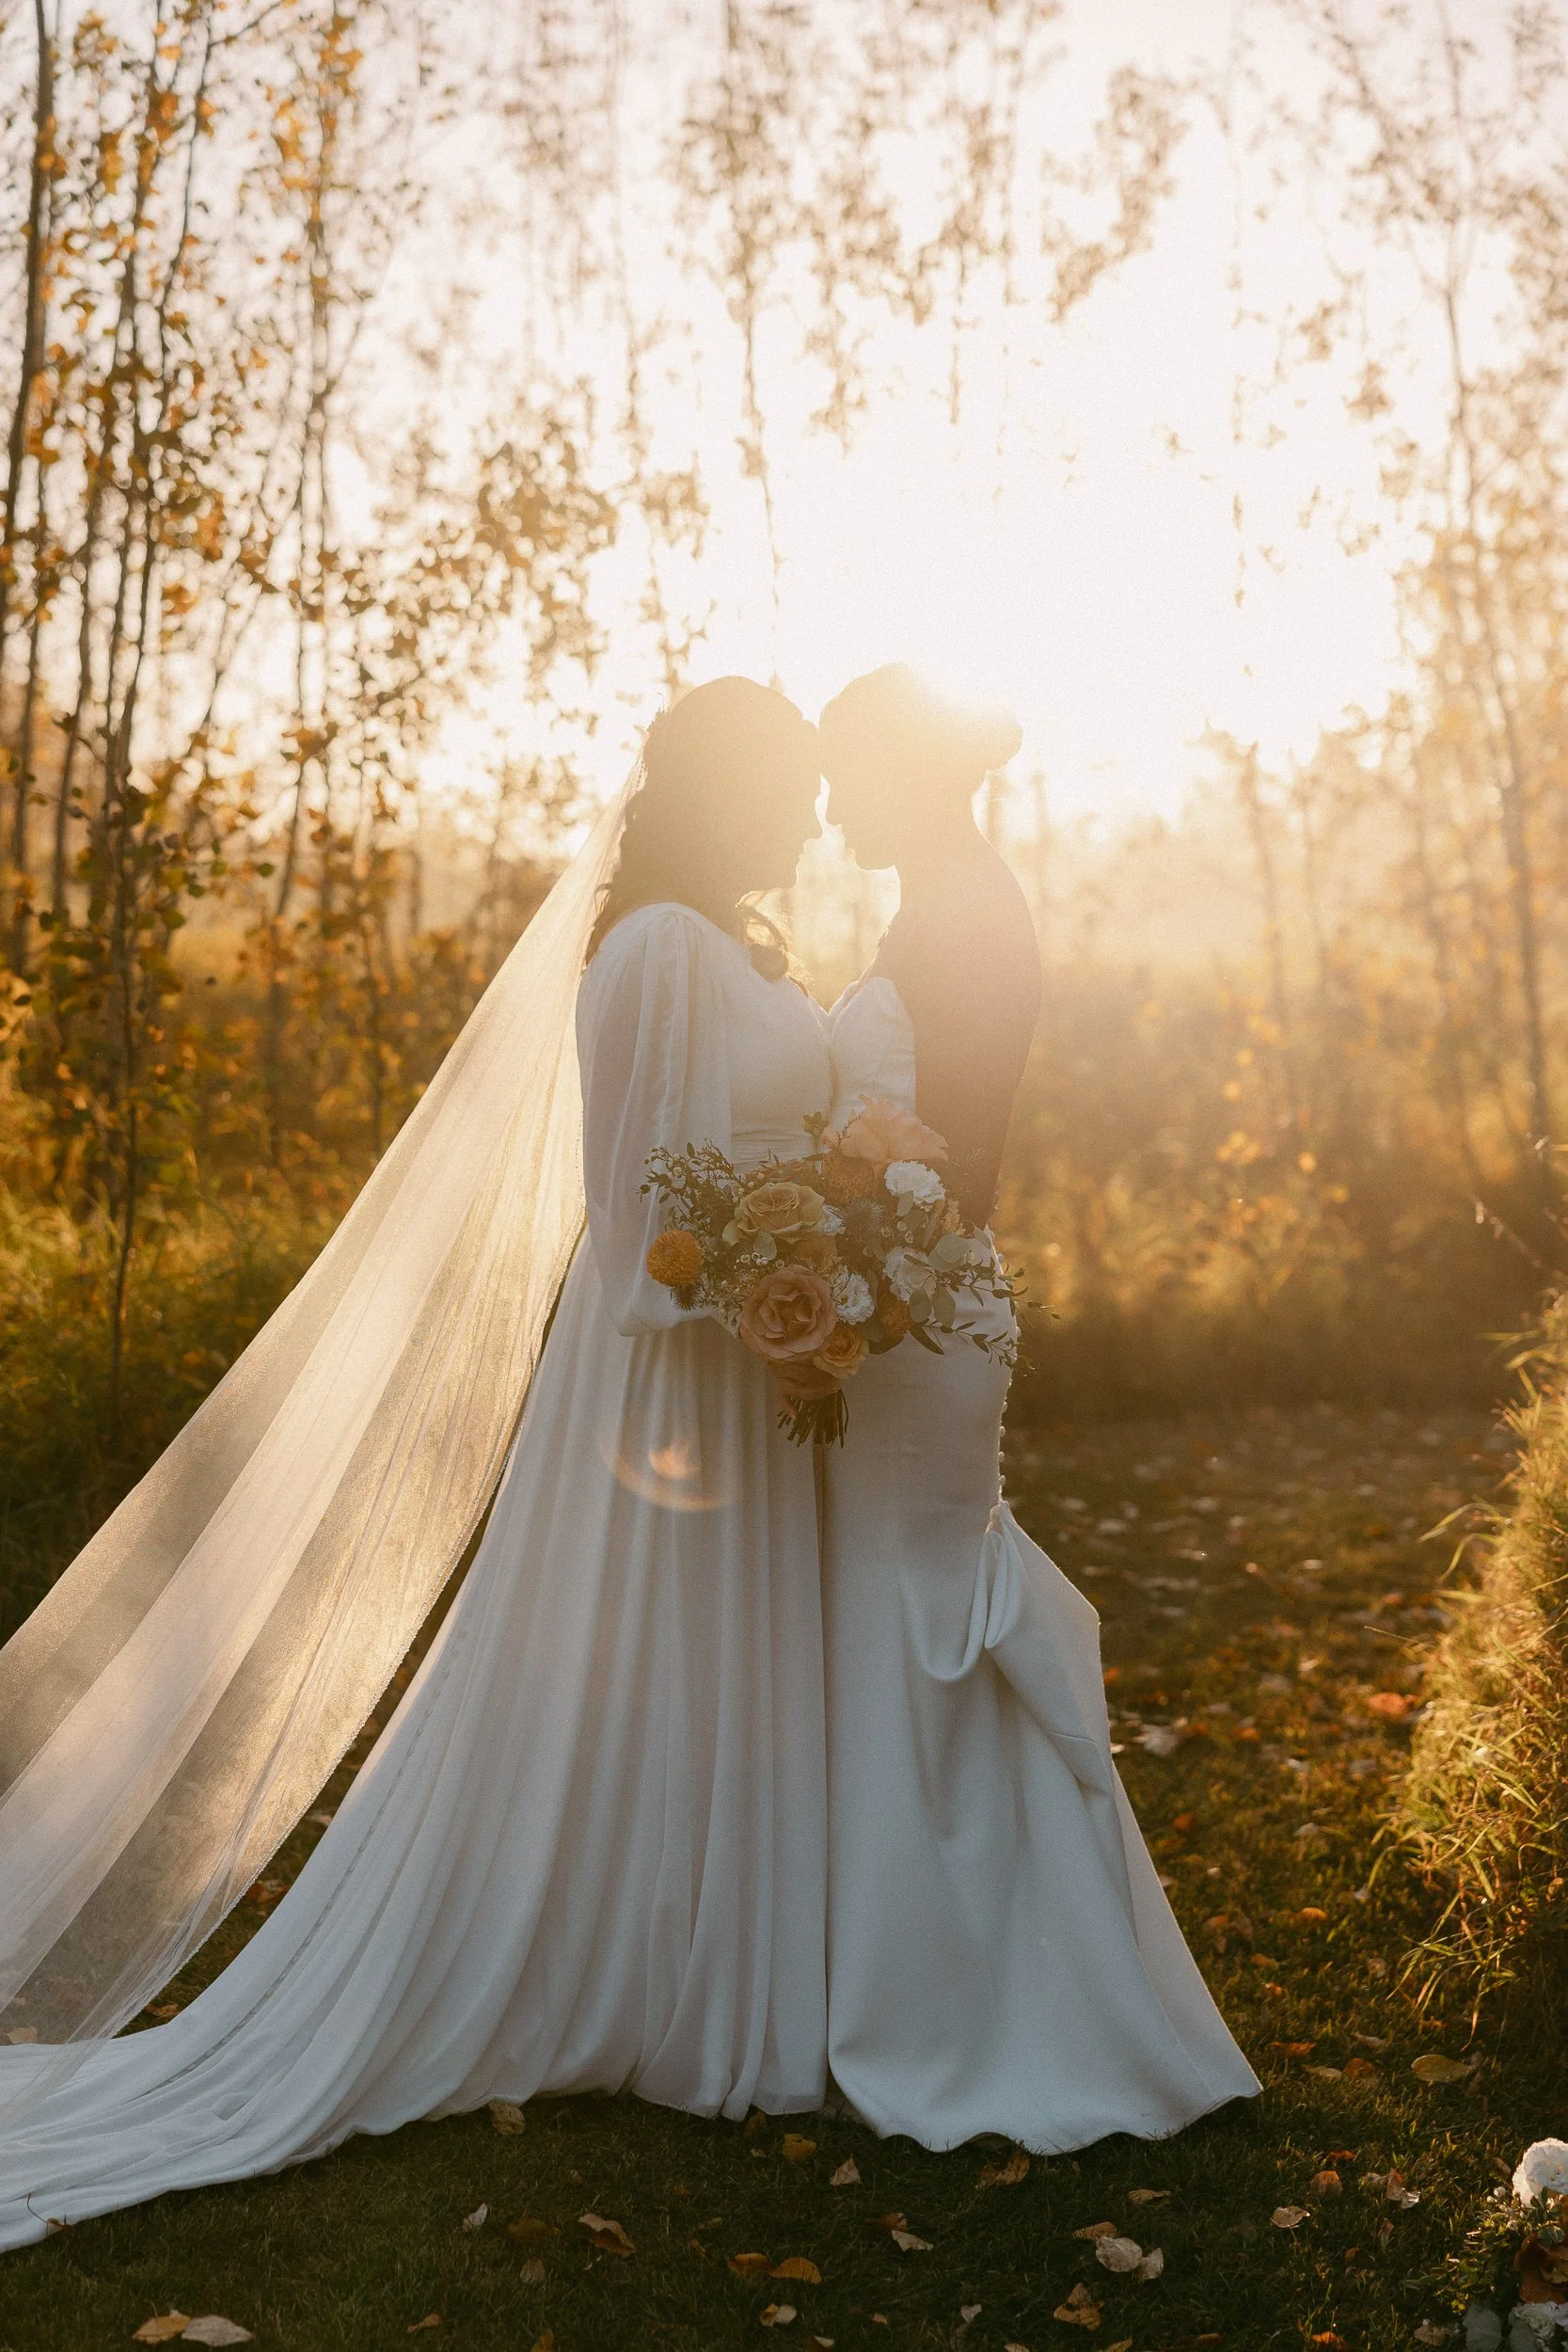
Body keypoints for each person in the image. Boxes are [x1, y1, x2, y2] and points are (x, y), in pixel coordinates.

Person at [0, 676, 835, 2248]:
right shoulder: (655, 951)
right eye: (788, 787)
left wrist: (824, 1265)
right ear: (728, 793)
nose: (809, 818)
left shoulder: (728, 944)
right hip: (677, 1378)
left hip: (748, 1359)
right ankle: (641, 1973)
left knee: (702, 1675)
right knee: (647, 1663)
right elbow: (642, 1211)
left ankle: (693, 1959)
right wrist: (781, 1281)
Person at [816, 664, 1259, 2149]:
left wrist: (845, 1283)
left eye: (841, 770)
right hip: (909, 1304)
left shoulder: (962, 914)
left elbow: (961, 1165)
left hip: (918, 1314)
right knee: (907, 1632)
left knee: (922, 1629)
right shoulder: (941, 899)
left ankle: (967, 1995)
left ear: (905, 772)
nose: (825, 802)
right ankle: (932, 1964)